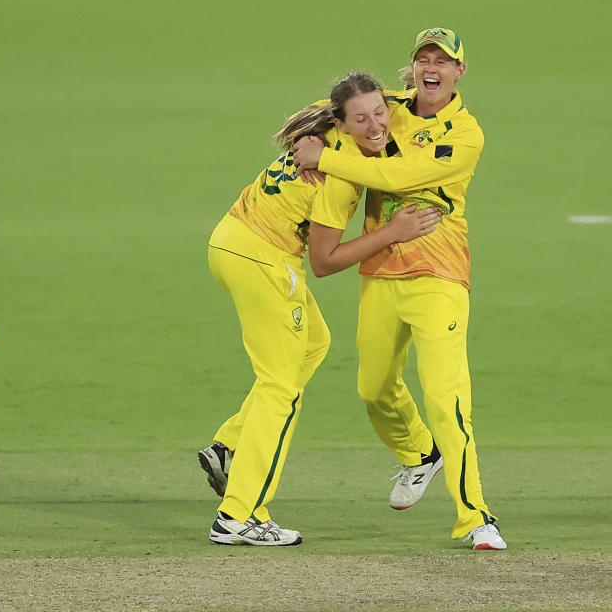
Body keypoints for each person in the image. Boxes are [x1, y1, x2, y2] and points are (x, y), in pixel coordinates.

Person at [199, 72, 441, 546]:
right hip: (263, 260)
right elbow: (325, 262)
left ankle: (231, 446)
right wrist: (394, 232)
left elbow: (367, 102)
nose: (375, 125)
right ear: (342, 124)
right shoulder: (339, 175)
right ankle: (239, 515)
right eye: (361, 119)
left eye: (380, 113)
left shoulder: (332, 127)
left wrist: (413, 81)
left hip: (230, 240)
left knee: (314, 342)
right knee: (281, 388)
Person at [293, 28, 507, 550]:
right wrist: (310, 136)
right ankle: (418, 454)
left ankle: (476, 519)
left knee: (446, 397)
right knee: (373, 388)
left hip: (439, 276)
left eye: (443, 60)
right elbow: (340, 106)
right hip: (381, 272)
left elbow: (401, 174)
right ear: (412, 69)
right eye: (423, 59)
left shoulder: (467, 133)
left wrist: (324, 159)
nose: (431, 67)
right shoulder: (388, 106)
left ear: (460, 72)